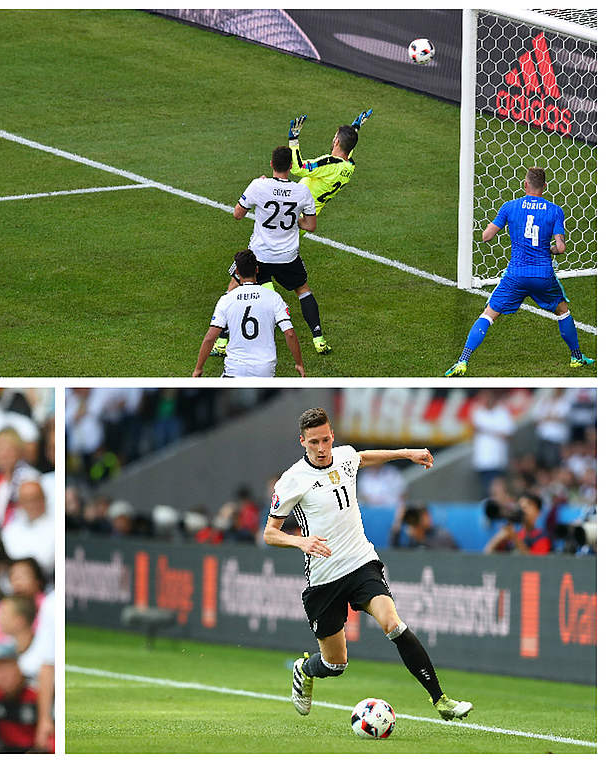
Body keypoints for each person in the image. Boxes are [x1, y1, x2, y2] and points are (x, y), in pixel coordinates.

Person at [264, 407, 473, 722]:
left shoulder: (345, 456)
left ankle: (440, 700)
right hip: (324, 577)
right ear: (302, 442)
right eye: (313, 443)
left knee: (393, 623)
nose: (321, 449)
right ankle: (304, 668)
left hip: (362, 562)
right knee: (335, 664)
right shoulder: (292, 481)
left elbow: (365, 457)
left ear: (332, 435)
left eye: (325, 440)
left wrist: (407, 453)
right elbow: (269, 533)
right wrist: (301, 541)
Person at [445, 166, 592, 375]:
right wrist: (548, 248)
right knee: (563, 311)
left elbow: (486, 236)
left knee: (488, 315)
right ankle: (577, 357)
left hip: (515, 275)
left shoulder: (510, 207)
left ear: (525, 184)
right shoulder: (554, 210)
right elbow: (560, 248)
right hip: (543, 275)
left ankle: (463, 361)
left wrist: (497, 224)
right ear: (545, 187)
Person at [214, 145, 322, 358]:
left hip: (259, 255)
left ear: (272, 164)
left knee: (234, 287)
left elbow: (237, 214)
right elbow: (310, 225)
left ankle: (221, 341)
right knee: (302, 290)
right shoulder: (302, 191)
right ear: (291, 166)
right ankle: (318, 338)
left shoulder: (258, 185)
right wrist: (294, 222)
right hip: (288, 256)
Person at [194, 249, 304, 377]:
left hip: (235, 368)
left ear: (237, 272)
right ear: (257, 270)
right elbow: (289, 333)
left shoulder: (227, 299)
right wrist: (299, 363)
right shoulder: (273, 297)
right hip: (265, 368)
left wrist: (198, 368)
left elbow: (210, 338)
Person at [288, 110, 371, 214]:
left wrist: (293, 139)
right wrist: (355, 128)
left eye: (335, 137)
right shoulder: (349, 166)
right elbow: (348, 148)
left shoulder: (330, 164)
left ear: (336, 141)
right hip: (308, 217)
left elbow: (298, 168)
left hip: (292, 216)